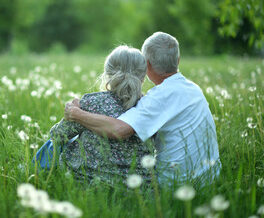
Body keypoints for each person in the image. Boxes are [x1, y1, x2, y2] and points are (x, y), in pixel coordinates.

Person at [64, 32, 221, 186]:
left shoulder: (159, 97)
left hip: (176, 183)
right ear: (178, 61)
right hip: (210, 178)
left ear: (147, 66)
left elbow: (118, 130)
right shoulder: (194, 89)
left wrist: (76, 113)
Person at [49, 45, 152, 184]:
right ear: (143, 76)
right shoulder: (150, 107)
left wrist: (73, 111)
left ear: (107, 73)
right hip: (137, 185)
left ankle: (34, 169)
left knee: (57, 143)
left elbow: (57, 136)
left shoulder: (91, 102)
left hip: (86, 180)